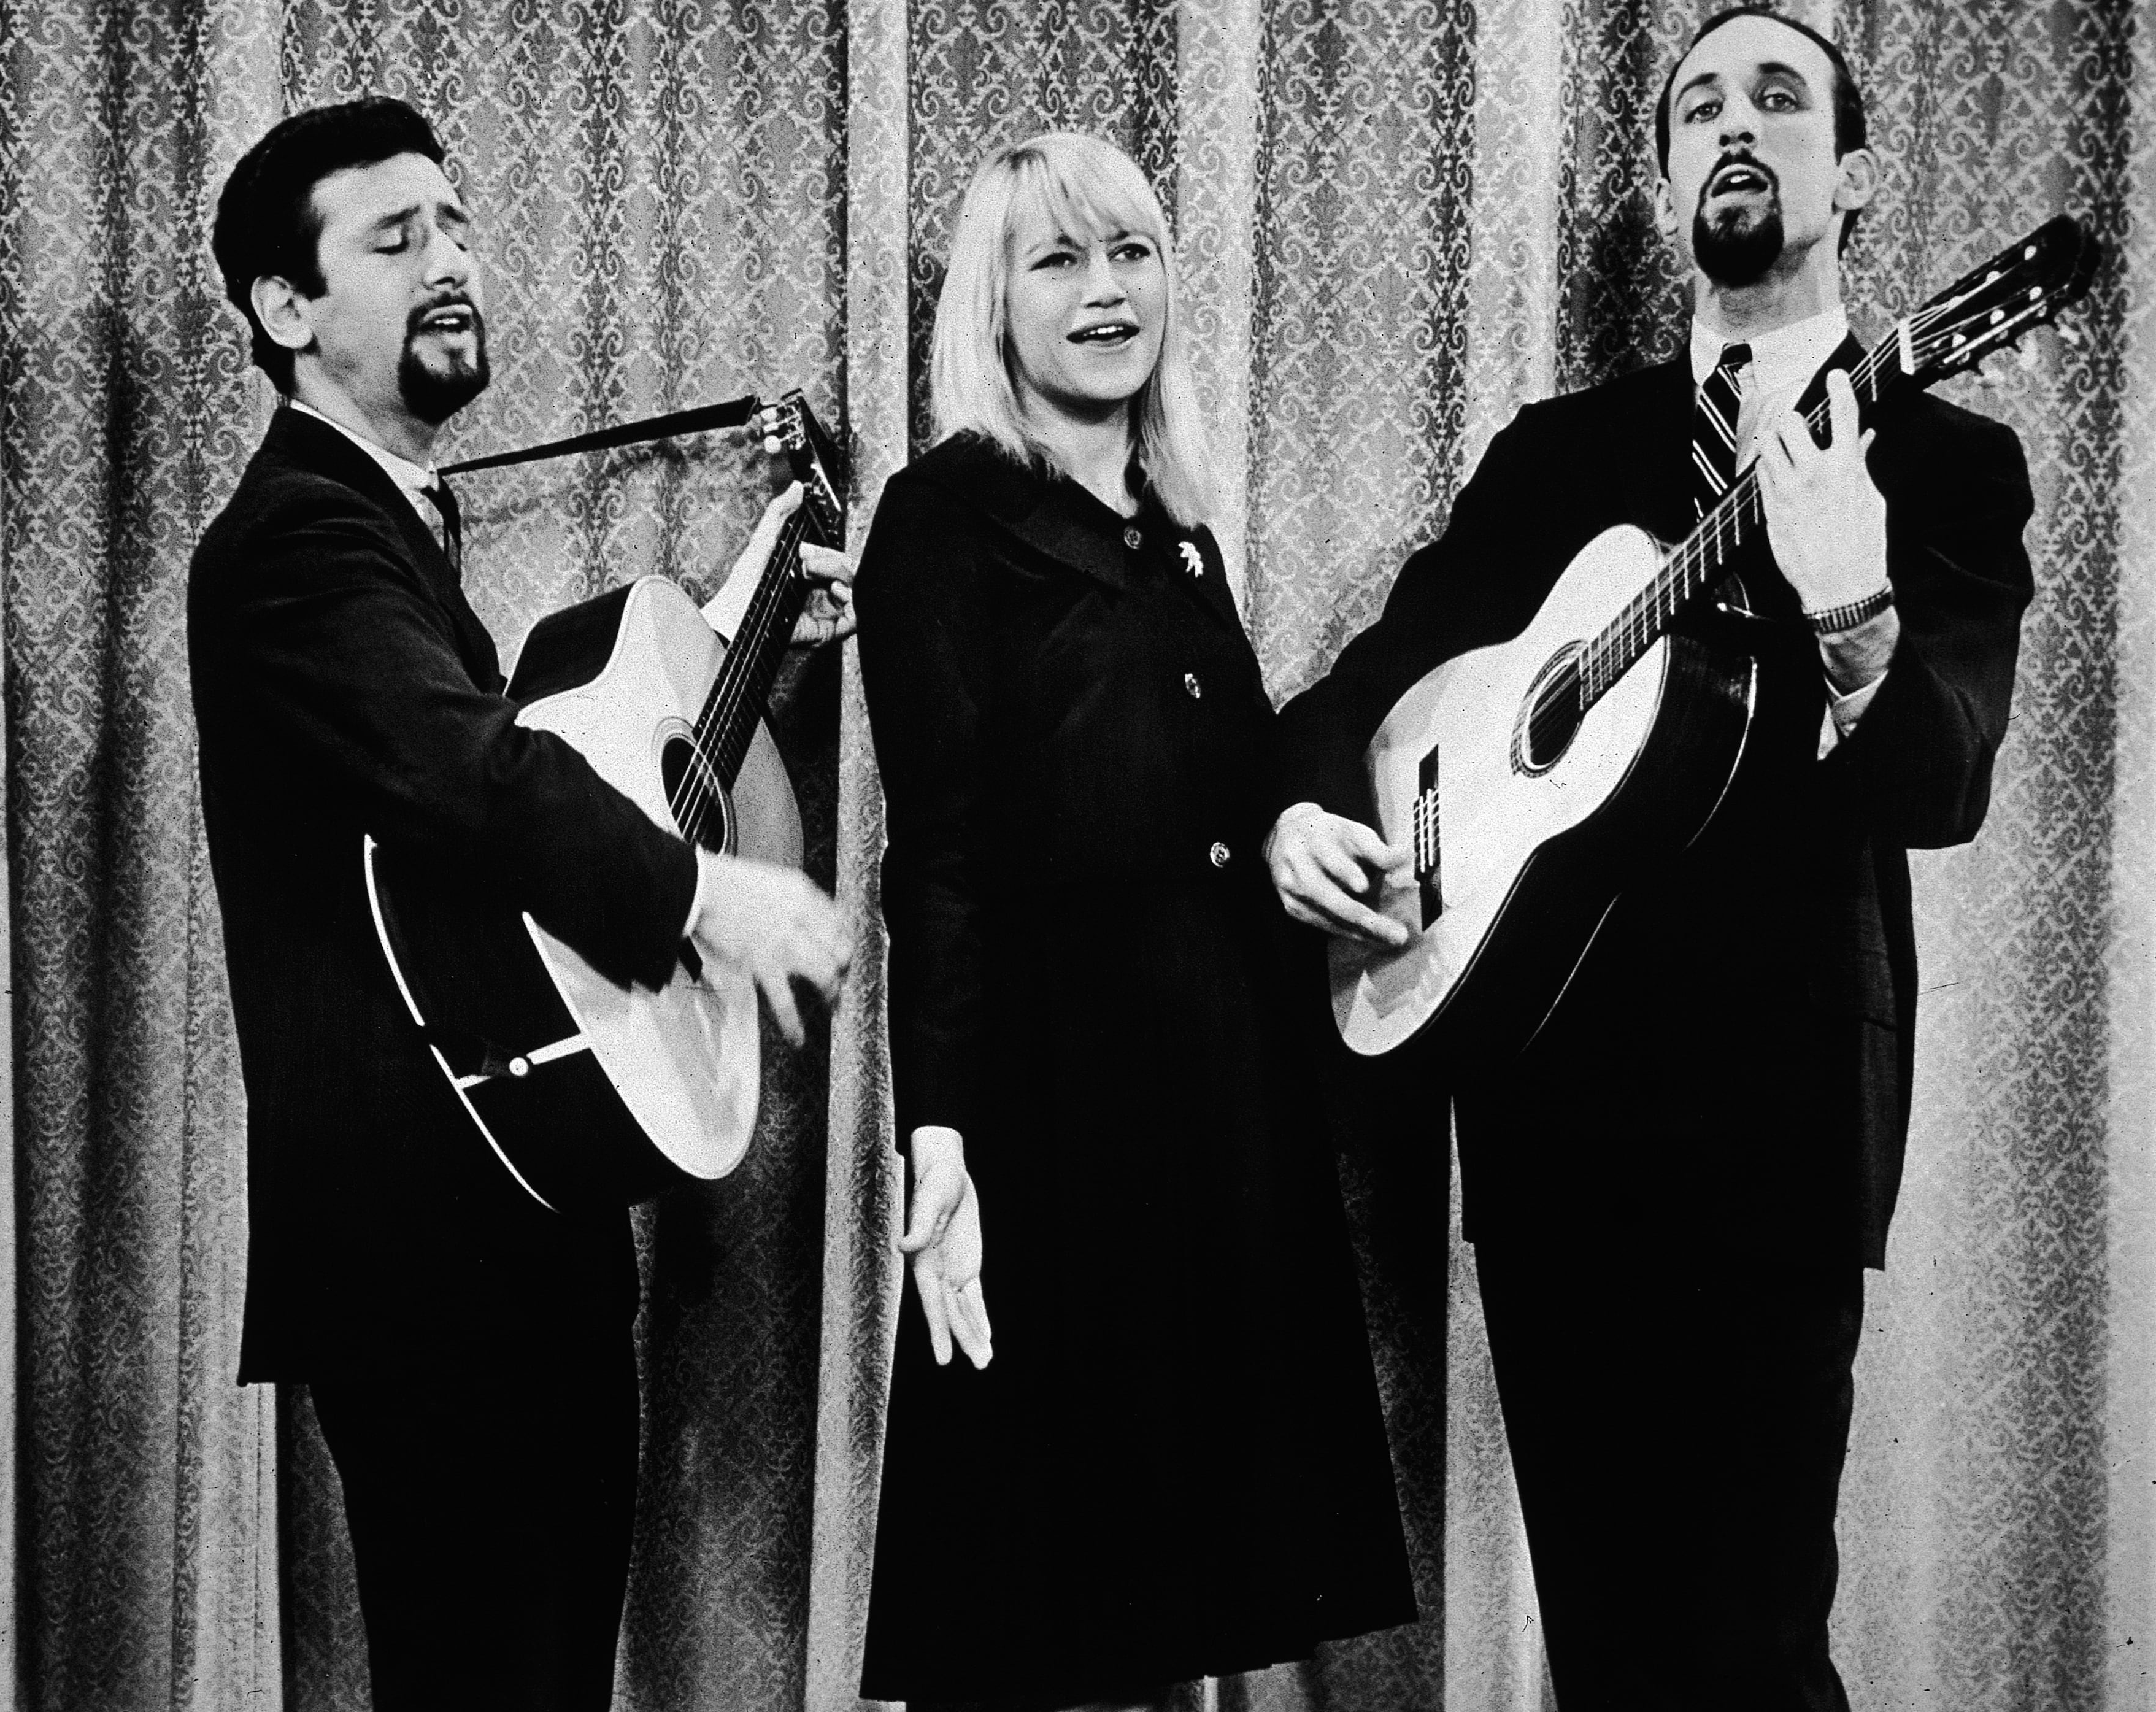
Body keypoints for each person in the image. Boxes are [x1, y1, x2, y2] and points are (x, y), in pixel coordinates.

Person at [1269, 7, 2035, 1711]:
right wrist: (1309, 808)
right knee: (1611, 1655)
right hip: (1549, 1123)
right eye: (1702, 108)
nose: (1737, 128)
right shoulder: (1562, 457)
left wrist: (1852, 605)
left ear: (1852, 172)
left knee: (1754, 1651)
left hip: (1775, 1128)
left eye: (1780, 98)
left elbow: (1943, 779)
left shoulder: (1946, 462)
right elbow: (1367, 688)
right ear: (1668, 172)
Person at [189, 96, 852, 1711]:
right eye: (395, 236)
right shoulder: (290, 543)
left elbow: (513, 816)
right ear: (287, 311)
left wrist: (761, 637)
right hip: (424, 1264)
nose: (451, 260)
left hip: (524, 1219)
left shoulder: (402, 531)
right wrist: (711, 896)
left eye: (458, 225)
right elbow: (471, 778)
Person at [854, 132, 1414, 1712]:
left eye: (1131, 254)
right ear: (994, 302)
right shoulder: (944, 517)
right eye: (1059, 259)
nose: (1106, 292)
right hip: (1056, 1127)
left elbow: (1221, 808)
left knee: (1180, 1621)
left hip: (1224, 1112)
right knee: (1050, 1626)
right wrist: (941, 1134)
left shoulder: (1178, 537)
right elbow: (939, 857)